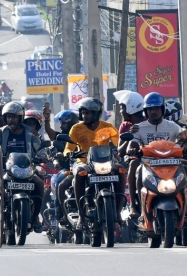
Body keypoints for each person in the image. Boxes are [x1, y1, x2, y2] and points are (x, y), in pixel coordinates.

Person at [63, 97, 124, 228]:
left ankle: (118, 212)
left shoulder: (108, 127)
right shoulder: (76, 128)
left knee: (120, 170)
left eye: (88, 113)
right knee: (79, 173)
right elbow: (69, 146)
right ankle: (81, 216)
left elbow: (117, 144)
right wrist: (68, 152)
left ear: (96, 114)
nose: (85, 116)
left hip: (105, 163)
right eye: (83, 113)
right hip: (83, 162)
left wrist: (118, 152)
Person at [126, 92, 187, 217]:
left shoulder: (173, 126)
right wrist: (131, 149)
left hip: (171, 163)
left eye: (157, 108)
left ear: (162, 109)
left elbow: (182, 136)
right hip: (147, 164)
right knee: (134, 165)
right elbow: (131, 145)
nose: (153, 111)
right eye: (150, 109)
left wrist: (184, 137)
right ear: (145, 111)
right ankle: (135, 205)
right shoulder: (138, 128)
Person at [0, 102, 45, 231]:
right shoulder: (0, 132)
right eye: (8, 117)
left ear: (20, 118)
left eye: (14, 117)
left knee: (40, 184)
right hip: (6, 169)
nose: (11, 120)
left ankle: (35, 216)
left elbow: (39, 146)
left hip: (27, 169)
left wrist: (43, 155)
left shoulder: (31, 132)